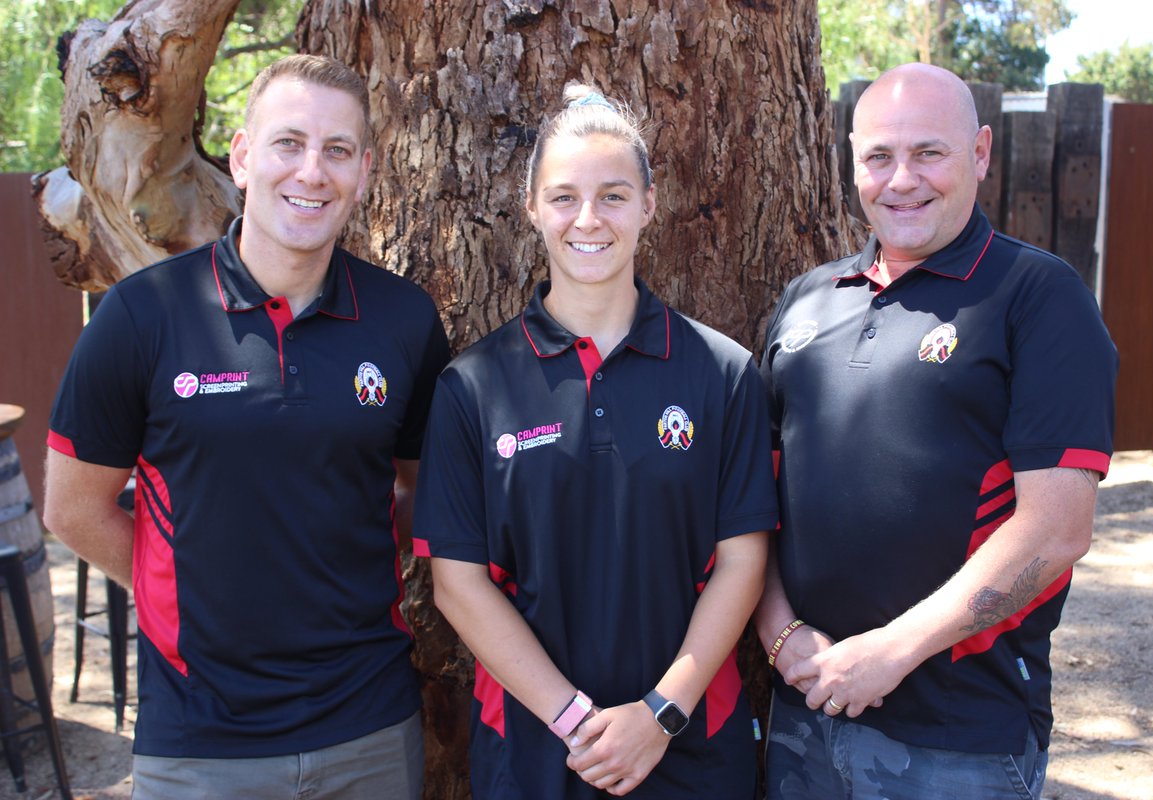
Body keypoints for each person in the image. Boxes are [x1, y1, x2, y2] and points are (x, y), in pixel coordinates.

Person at [43, 55, 448, 799]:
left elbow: (420, 493)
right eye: (288, 143)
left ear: (364, 170)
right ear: (241, 156)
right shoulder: (142, 316)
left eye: (336, 151)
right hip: (200, 739)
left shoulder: (404, 320)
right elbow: (72, 508)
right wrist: (191, 586)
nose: (311, 172)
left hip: (368, 728)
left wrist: (320, 550)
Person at [755, 63, 1117, 799]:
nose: (902, 180)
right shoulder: (805, 303)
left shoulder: (1038, 298)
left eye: (929, 153)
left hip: (960, 741)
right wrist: (782, 637)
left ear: (980, 153)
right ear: (850, 161)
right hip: (801, 716)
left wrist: (891, 653)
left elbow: (1055, 531)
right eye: (879, 157)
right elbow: (751, 503)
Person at [412, 83, 777, 798]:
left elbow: (743, 562)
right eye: (563, 197)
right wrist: (576, 719)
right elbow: (458, 584)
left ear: (648, 204)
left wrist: (659, 714)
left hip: (693, 746)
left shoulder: (723, 373)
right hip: (536, 750)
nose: (588, 219)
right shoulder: (473, 385)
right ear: (531, 209)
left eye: (613, 195)